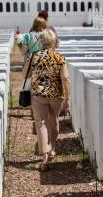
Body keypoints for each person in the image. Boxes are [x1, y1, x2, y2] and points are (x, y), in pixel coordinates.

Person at [22, 28, 71, 172]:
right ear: (54, 41)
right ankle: (53, 148)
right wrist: (68, 97)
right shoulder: (59, 57)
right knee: (54, 119)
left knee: (41, 124)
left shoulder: (34, 56)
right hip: (56, 95)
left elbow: (25, 74)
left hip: (39, 96)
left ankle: (44, 158)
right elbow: (66, 78)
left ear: (41, 41)